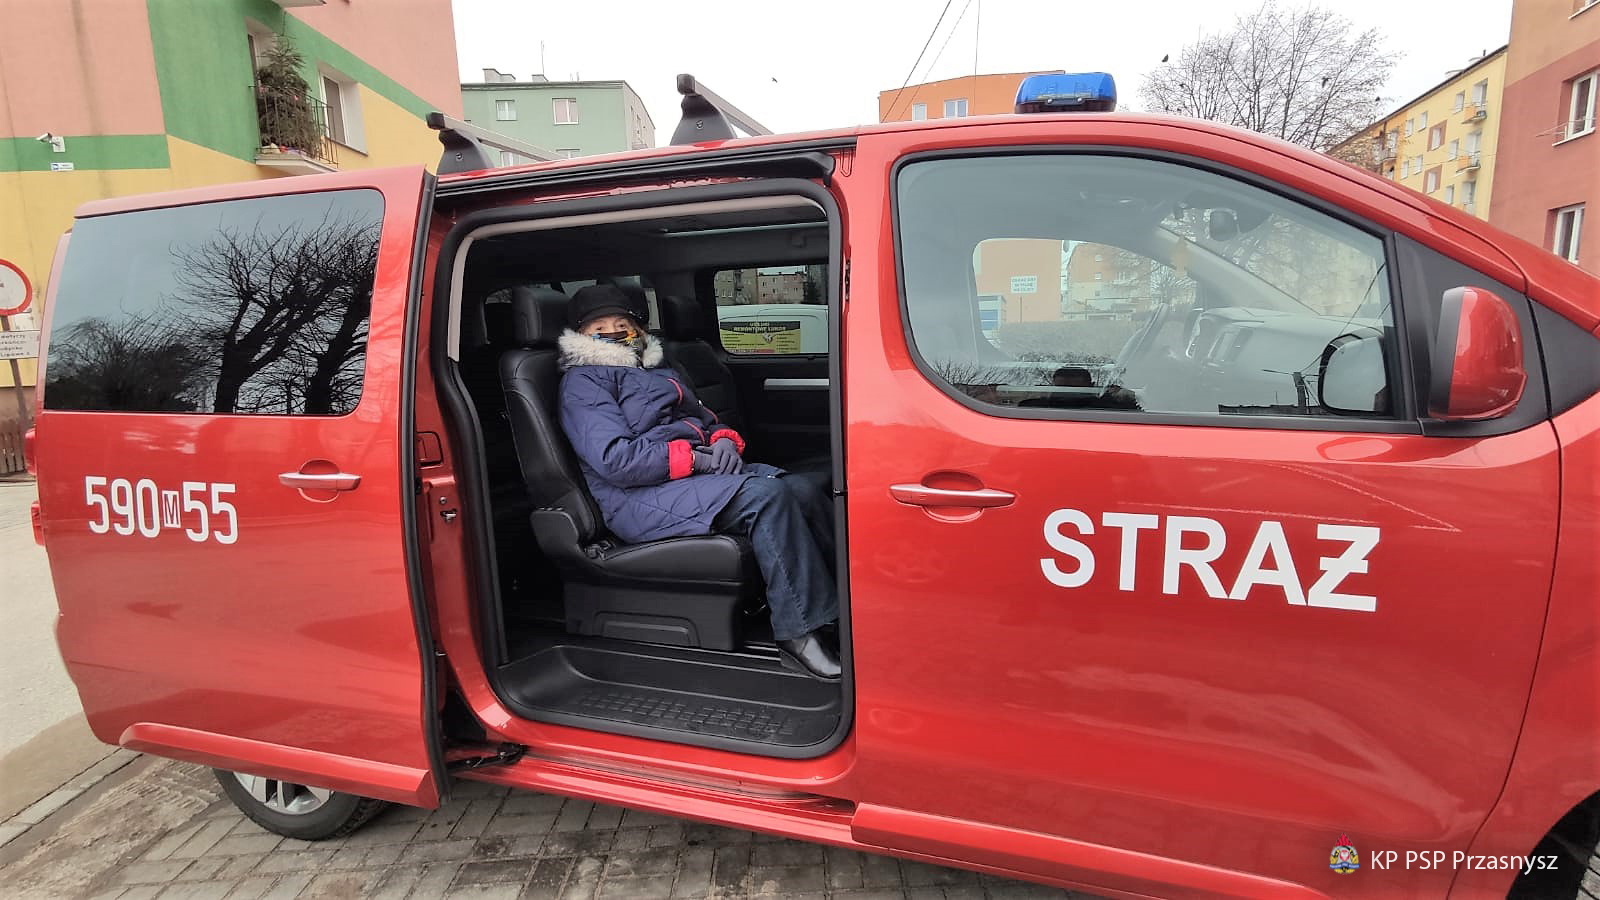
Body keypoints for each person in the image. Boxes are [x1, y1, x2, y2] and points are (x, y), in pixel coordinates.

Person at [555, 285, 841, 680]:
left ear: (638, 328)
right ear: (581, 335)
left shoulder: (657, 369)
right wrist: (692, 459)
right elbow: (615, 460)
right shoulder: (583, 382)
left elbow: (704, 419)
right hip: (636, 497)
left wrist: (723, 440)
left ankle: (841, 613)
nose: (613, 332)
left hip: (685, 479)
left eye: (622, 324)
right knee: (766, 497)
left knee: (803, 490)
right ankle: (799, 634)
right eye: (599, 328)